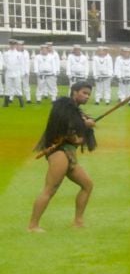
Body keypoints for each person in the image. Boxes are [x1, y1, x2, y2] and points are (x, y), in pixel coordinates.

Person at [28, 81, 97, 232]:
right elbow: (67, 124)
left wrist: (85, 126)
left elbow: (77, 134)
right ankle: (33, 225)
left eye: (89, 94)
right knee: (50, 189)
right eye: (84, 93)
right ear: (74, 91)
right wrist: (85, 125)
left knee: (87, 185)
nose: (87, 97)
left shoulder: (78, 113)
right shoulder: (63, 106)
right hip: (59, 152)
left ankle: (78, 221)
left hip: (70, 154)